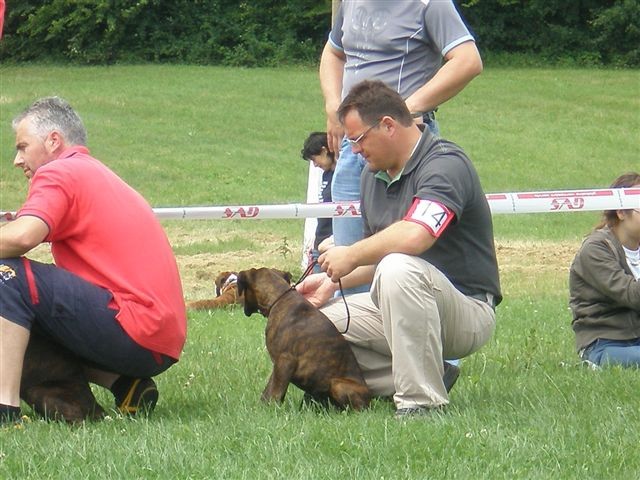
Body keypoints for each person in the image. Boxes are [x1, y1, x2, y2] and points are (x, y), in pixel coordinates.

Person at [297, 80, 500, 418]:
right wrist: (334, 282)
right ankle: (415, 375)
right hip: (399, 295)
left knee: (398, 269)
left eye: (358, 140)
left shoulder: (445, 164)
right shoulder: (370, 177)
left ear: (388, 125)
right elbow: (377, 261)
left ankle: (421, 403)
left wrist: (349, 254)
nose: (355, 152)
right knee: (306, 325)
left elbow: (415, 237)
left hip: (467, 309)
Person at [0, 97, 187, 424]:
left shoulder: (59, 172)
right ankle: (124, 385)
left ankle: (5, 412)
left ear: (53, 141)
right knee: (25, 307)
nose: (17, 160)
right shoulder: (94, 173)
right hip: (159, 338)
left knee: (6, 275)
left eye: (23, 146)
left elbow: (20, 238)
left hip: (134, 325)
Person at [320, 0, 483, 294]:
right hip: (353, 148)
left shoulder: (430, 4)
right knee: (347, 258)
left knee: (401, 258)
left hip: (403, 151)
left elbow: (468, 60)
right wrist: (333, 106)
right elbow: (333, 52)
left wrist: (404, 111)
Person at [569, 172, 640, 368]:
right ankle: (593, 365)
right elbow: (632, 296)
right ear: (621, 212)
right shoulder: (596, 249)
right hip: (605, 343)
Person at [301, 132, 336, 273]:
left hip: (331, 245)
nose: (315, 165)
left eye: (315, 159)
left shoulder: (340, 178)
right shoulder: (326, 174)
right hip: (319, 243)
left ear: (324, 150)